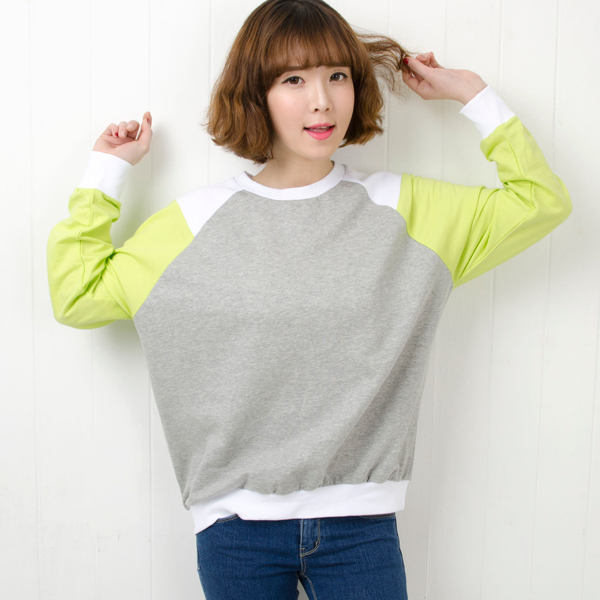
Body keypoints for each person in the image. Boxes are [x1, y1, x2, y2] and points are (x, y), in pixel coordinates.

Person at [46, 0, 572, 598]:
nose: (322, 100)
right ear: (257, 94)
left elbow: (541, 201)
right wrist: (106, 173)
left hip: (362, 528)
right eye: (293, 79)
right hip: (234, 530)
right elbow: (77, 294)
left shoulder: (409, 212)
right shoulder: (193, 224)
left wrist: (473, 94)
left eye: (337, 75)